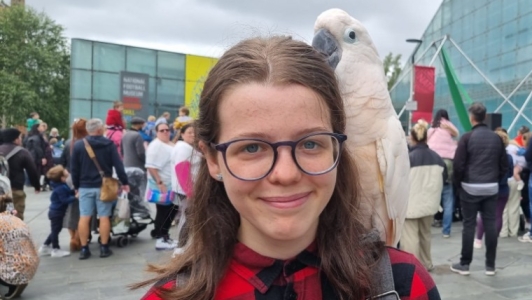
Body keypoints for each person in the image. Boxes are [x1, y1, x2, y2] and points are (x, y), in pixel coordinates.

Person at [135, 36, 439, 300]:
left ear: (337, 149)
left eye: (310, 144)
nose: (286, 174)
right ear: (212, 160)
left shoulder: (404, 285)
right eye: (251, 147)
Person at [450, 102, 509, 277]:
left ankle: (465, 264)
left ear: (472, 117)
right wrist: (495, 179)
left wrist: (458, 184)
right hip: (490, 187)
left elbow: (458, 165)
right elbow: (504, 165)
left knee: (469, 224)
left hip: (470, 187)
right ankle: (490, 266)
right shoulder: (496, 138)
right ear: (485, 117)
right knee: (490, 224)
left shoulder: (467, 138)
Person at [71, 118, 129, 260]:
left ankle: (84, 249)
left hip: (85, 186)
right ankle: (104, 248)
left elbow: (74, 169)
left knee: (84, 217)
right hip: (104, 187)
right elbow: (118, 165)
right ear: (98, 130)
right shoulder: (108, 144)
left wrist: (76, 186)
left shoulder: (79, 145)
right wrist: (125, 182)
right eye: (103, 127)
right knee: (104, 217)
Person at [401, 120, 446, 271]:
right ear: (426, 137)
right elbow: (443, 178)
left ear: (412, 138)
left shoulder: (408, 158)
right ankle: (427, 263)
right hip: (430, 204)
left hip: (411, 205)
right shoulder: (437, 158)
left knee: (410, 238)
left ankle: (413, 268)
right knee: (426, 235)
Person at [475, 130, 513, 247]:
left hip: (488, 188)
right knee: (498, 215)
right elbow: (510, 174)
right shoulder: (509, 157)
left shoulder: (487, 156)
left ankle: (478, 240)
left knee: (484, 214)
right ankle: (492, 241)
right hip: (503, 189)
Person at [146, 122, 178, 251]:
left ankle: (165, 236)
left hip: (171, 183)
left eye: (167, 129)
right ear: (156, 132)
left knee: (170, 210)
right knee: (164, 211)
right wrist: (160, 183)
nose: (165, 132)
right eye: (162, 130)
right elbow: (151, 166)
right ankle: (161, 238)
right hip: (163, 185)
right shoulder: (156, 146)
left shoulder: (168, 143)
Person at [426, 109, 458, 238]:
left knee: (430, 197)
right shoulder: (449, 129)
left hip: (434, 163)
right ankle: (446, 231)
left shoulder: (431, 130)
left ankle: (427, 227)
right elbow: (457, 133)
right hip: (448, 164)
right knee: (448, 200)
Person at [59, 118, 88, 252]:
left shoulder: (68, 143)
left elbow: (62, 163)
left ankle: (72, 238)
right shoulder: (87, 144)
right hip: (85, 180)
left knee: (70, 211)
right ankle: (78, 238)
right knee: (84, 212)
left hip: (69, 180)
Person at [171, 123, 200, 253]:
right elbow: (181, 170)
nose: (193, 134)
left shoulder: (187, 147)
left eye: (195, 132)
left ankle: (184, 247)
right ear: (182, 134)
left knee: (188, 217)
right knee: (188, 218)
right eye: (190, 132)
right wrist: (190, 191)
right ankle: (181, 248)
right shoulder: (183, 148)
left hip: (187, 189)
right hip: (188, 191)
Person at [0, 128, 41, 220]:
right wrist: (36, 186)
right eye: (20, 137)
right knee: (16, 218)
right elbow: (32, 170)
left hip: (1, 189)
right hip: (15, 189)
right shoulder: (22, 152)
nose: (21, 139)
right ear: (15, 139)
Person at [37, 165, 76, 258]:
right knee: (55, 231)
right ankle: (55, 249)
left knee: (56, 230)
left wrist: (73, 192)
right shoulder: (61, 188)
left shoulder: (60, 185)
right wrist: (75, 197)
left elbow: (67, 192)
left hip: (56, 212)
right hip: (57, 212)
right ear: (62, 178)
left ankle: (45, 246)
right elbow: (65, 200)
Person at [501, 131, 526, 238]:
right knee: (514, 207)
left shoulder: (494, 152)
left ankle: (503, 231)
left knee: (502, 207)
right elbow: (523, 163)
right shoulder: (515, 148)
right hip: (514, 180)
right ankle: (514, 231)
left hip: (501, 181)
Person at [25, 123, 51, 191]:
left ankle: (38, 184)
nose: (42, 128)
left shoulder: (30, 137)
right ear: (37, 128)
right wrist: (42, 157)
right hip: (37, 157)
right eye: (40, 126)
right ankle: (39, 185)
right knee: (39, 171)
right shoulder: (37, 138)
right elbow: (38, 148)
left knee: (37, 171)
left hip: (32, 156)